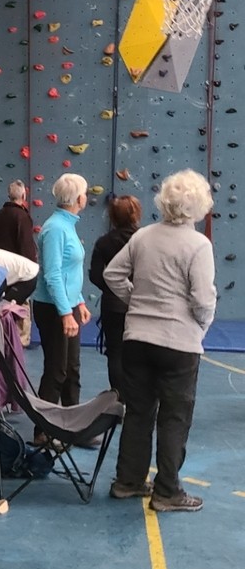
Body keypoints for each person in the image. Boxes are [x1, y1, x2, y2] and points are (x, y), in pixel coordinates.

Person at [105, 171, 217, 512]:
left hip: (137, 339)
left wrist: (136, 299)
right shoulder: (198, 245)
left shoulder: (143, 236)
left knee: (138, 412)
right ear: (200, 207)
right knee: (174, 417)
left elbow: (112, 274)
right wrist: (201, 325)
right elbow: (202, 298)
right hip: (178, 345)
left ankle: (128, 481)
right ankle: (167, 491)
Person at [31, 173, 91, 406]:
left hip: (69, 304)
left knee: (71, 369)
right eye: (84, 193)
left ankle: (72, 422)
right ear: (78, 198)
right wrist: (66, 313)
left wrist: (80, 301)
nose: (85, 197)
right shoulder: (56, 228)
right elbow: (53, 274)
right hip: (53, 308)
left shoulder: (67, 224)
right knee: (57, 370)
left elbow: (70, 271)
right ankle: (44, 430)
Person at [89, 194, 141, 399]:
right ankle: (137, 397)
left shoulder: (104, 242)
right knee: (139, 353)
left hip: (112, 305)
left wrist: (110, 288)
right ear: (136, 214)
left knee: (115, 352)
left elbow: (95, 275)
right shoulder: (144, 239)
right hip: (139, 303)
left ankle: (119, 397)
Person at [0, 180, 38, 263]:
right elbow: (26, 245)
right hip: (16, 266)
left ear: (9, 196)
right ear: (23, 196)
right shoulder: (22, 216)